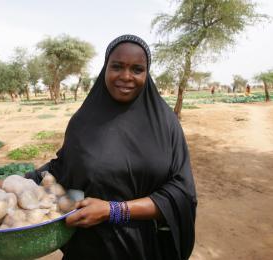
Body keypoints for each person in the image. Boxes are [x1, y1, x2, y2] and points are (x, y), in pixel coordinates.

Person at [26, 34, 197, 260]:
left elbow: (181, 193)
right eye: (117, 66)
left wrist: (112, 211)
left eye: (137, 69)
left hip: (144, 248)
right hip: (88, 248)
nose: (126, 76)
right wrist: (17, 183)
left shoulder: (165, 124)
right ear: (105, 69)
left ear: (147, 74)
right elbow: (63, 170)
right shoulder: (83, 121)